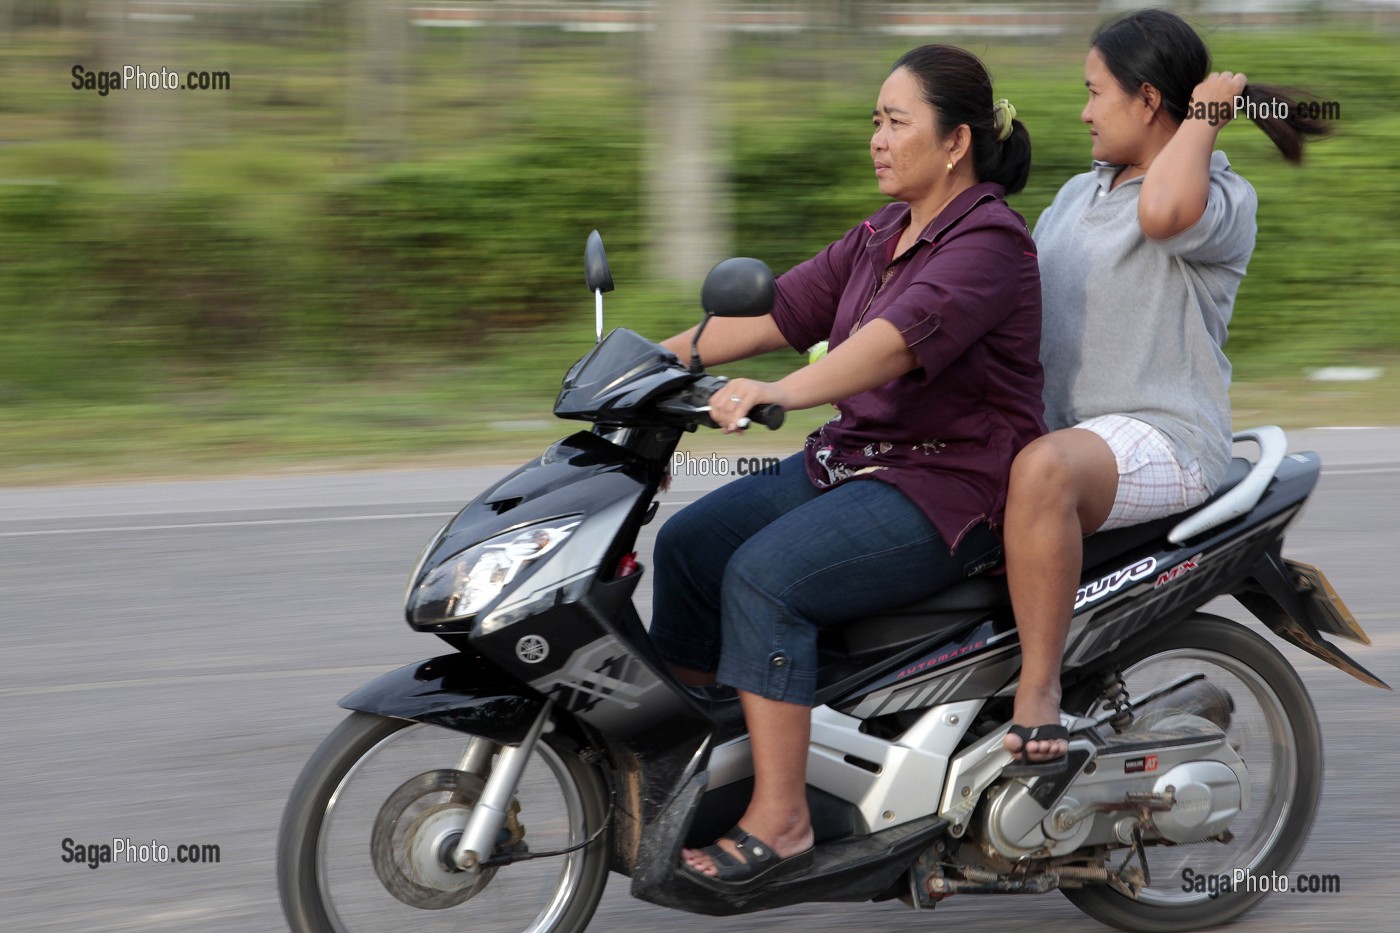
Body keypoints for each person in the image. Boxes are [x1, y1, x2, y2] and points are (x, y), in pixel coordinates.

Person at [648, 45, 1043, 892]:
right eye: (875, 119)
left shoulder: (989, 242)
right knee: (688, 545)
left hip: (949, 487)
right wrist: (644, 364)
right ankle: (695, 765)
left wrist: (781, 392)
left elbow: (888, 347)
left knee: (764, 578)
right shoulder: (878, 234)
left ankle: (783, 816)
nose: (877, 138)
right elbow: (775, 312)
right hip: (856, 462)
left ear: (955, 143)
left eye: (897, 122)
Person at [1002, 8, 1330, 773]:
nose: (1082, 110)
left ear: (1149, 101)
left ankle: (1039, 691)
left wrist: (1209, 119)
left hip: (1164, 437)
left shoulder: (1220, 198)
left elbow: (1162, 211)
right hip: (1070, 439)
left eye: (1094, 92)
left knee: (1041, 470)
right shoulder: (1076, 197)